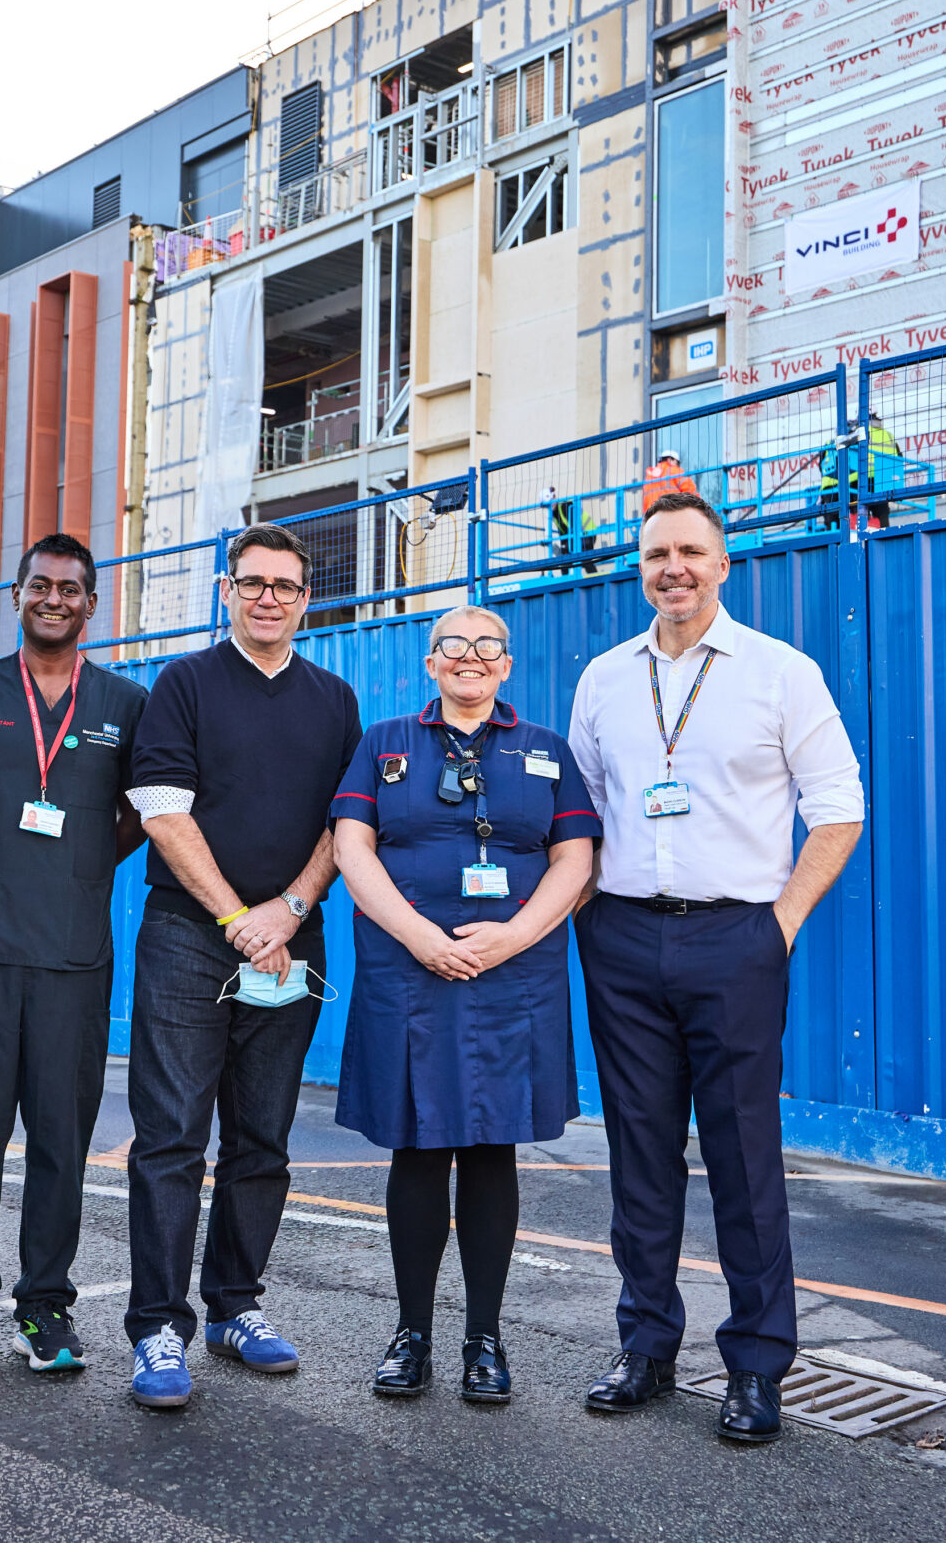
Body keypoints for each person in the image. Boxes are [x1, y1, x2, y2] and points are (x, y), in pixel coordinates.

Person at [567, 490, 864, 1444]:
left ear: (724, 564)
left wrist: (778, 923)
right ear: (640, 567)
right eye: (657, 554)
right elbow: (582, 816)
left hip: (738, 937)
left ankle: (756, 1364)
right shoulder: (604, 680)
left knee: (743, 1156)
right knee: (639, 1154)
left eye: (692, 551)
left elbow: (840, 806)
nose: (674, 568)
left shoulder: (781, 674)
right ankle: (647, 1345)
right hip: (619, 937)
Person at [119, 521, 363, 1409]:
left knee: (261, 1137)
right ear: (227, 590)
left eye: (286, 586)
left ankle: (235, 1305)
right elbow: (160, 809)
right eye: (253, 582)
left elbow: (348, 824)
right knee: (174, 1135)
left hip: (294, 937)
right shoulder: (183, 684)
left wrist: (290, 910)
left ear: (307, 599)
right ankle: (155, 1326)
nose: (269, 598)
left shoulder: (334, 700)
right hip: (192, 934)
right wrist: (237, 916)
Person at [331, 605, 597, 1404]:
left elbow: (575, 857)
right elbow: (351, 845)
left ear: (506, 666)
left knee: (491, 1148)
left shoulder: (546, 750)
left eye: (488, 646)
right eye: (455, 644)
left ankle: (485, 1337)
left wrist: (509, 938)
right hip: (409, 972)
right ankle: (412, 1334)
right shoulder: (384, 742)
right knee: (416, 1146)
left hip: (512, 976)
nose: (471, 657)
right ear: (430, 661)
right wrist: (419, 935)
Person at [0, 532, 148, 1374]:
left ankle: (46, 1307)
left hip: (73, 960)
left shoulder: (127, 704)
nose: (54, 598)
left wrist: (81, 862)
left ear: (92, 604)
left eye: (71, 589)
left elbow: (138, 815)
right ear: (16, 596)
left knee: (61, 1140)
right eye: (39, 586)